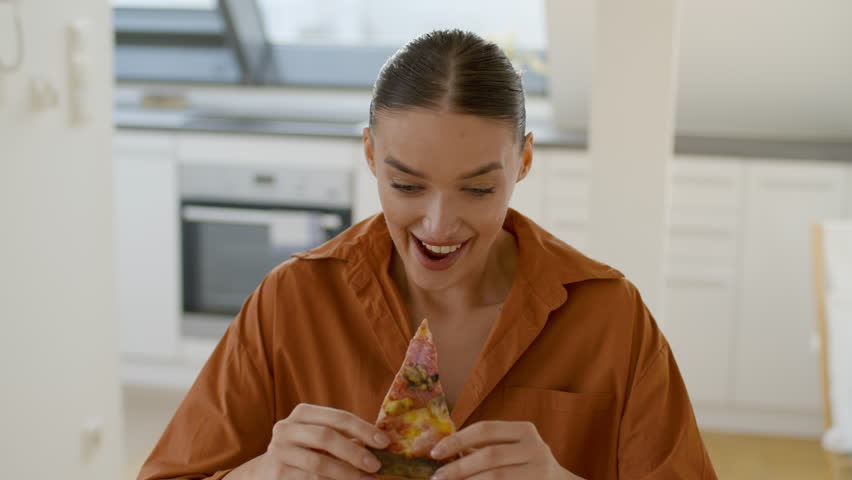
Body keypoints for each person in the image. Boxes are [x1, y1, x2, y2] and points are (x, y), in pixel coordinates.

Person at [138, 29, 717, 480]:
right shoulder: (291, 300)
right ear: (370, 154)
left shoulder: (610, 316)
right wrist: (264, 471)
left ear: (523, 163)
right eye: (408, 187)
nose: (438, 225)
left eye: (478, 189)